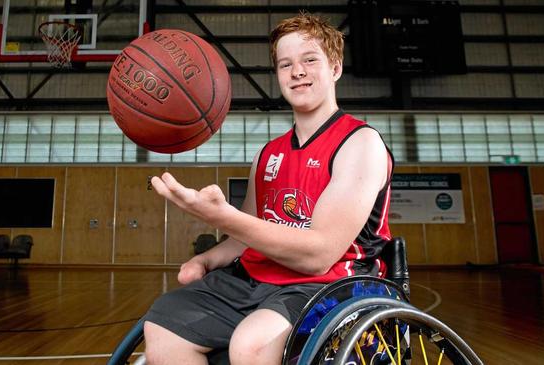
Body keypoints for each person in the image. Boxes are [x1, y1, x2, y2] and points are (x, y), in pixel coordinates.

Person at [144, 12, 393, 365]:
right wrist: (206, 258)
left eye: (310, 60)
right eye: (285, 64)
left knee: (252, 344)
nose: (298, 72)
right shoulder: (268, 153)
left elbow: (318, 254)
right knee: (164, 324)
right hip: (256, 280)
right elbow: (247, 235)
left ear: (335, 67)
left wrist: (223, 216)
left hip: (328, 283)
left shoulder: (359, 143)